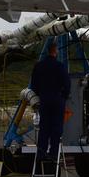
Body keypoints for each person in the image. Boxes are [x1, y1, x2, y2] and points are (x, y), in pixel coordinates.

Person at [29, 38, 70, 168]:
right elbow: (67, 84)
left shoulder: (39, 66)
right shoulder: (59, 66)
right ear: (56, 51)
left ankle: (41, 154)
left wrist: (41, 94)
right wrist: (64, 96)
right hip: (57, 100)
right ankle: (53, 155)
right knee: (56, 129)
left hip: (44, 100)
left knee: (44, 128)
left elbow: (34, 85)